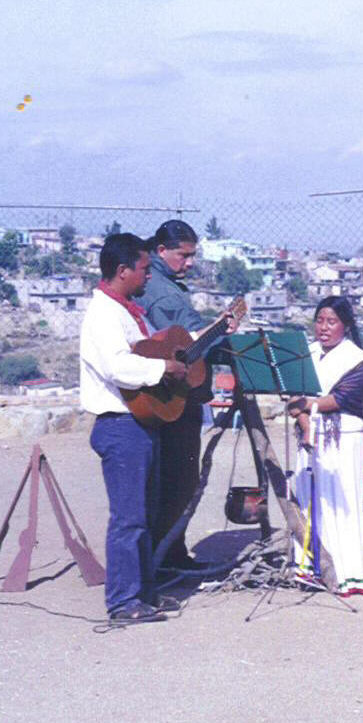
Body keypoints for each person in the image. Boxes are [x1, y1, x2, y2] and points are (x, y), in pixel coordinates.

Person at [79, 233, 188, 623]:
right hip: (120, 425)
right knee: (129, 518)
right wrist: (164, 368)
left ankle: (143, 592)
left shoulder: (125, 310)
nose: (147, 276)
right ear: (122, 270)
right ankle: (124, 601)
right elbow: (118, 366)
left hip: (139, 423)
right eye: (143, 269)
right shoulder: (103, 316)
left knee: (143, 512)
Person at [136, 219, 237, 572]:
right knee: (179, 479)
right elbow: (189, 342)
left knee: (165, 479)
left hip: (159, 396)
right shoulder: (163, 292)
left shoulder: (156, 282)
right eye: (184, 255)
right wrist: (223, 333)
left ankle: (164, 554)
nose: (190, 262)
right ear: (162, 250)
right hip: (173, 397)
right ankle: (168, 557)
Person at [286, 296, 363, 596]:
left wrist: (306, 405)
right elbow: (292, 395)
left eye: (331, 322)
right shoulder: (307, 354)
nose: (323, 328)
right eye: (319, 320)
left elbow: (343, 399)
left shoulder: (357, 358)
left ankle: (349, 572)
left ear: (346, 325)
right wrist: (305, 425)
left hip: (344, 440)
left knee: (342, 505)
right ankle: (311, 568)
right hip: (311, 439)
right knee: (310, 501)